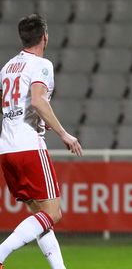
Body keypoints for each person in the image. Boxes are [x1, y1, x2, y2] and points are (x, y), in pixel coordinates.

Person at [0, 14, 83, 269]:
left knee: (39, 215)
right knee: (52, 213)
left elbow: (13, 106)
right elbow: (37, 100)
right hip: (29, 147)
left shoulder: (6, 68)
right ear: (45, 36)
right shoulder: (41, 64)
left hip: (6, 148)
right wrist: (64, 134)